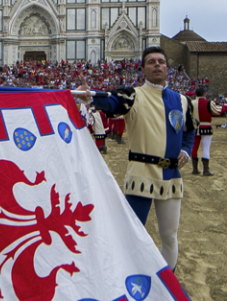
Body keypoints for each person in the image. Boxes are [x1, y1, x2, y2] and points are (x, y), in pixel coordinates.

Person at [78, 47, 194, 271]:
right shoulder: (133, 95)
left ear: (168, 68)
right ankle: (129, 280)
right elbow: (113, 102)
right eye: (151, 62)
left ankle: (166, 283)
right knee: (132, 233)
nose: (157, 65)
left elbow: (189, 129)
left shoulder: (182, 101)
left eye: (161, 61)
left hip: (171, 176)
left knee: (169, 236)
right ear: (142, 69)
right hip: (141, 175)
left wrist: (187, 150)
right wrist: (91, 97)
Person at [189, 84, 226, 176]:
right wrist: (225, 106)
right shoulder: (209, 102)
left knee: (194, 148)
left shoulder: (191, 103)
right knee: (206, 148)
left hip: (195, 128)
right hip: (206, 128)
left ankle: (195, 169)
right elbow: (218, 111)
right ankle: (206, 170)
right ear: (204, 94)